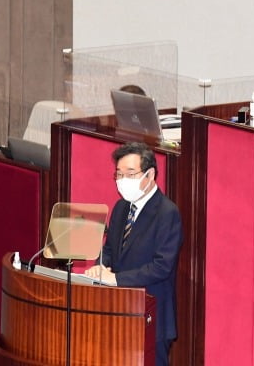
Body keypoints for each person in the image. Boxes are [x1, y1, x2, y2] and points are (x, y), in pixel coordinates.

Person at [85, 142, 183, 366]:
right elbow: (109, 249)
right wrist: (102, 265)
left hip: (151, 316)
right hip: (119, 310)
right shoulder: (121, 207)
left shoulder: (167, 213)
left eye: (130, 174)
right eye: (118, 174)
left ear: (150, 175)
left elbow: (161, 267)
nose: (122, 181)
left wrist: (115, 279)